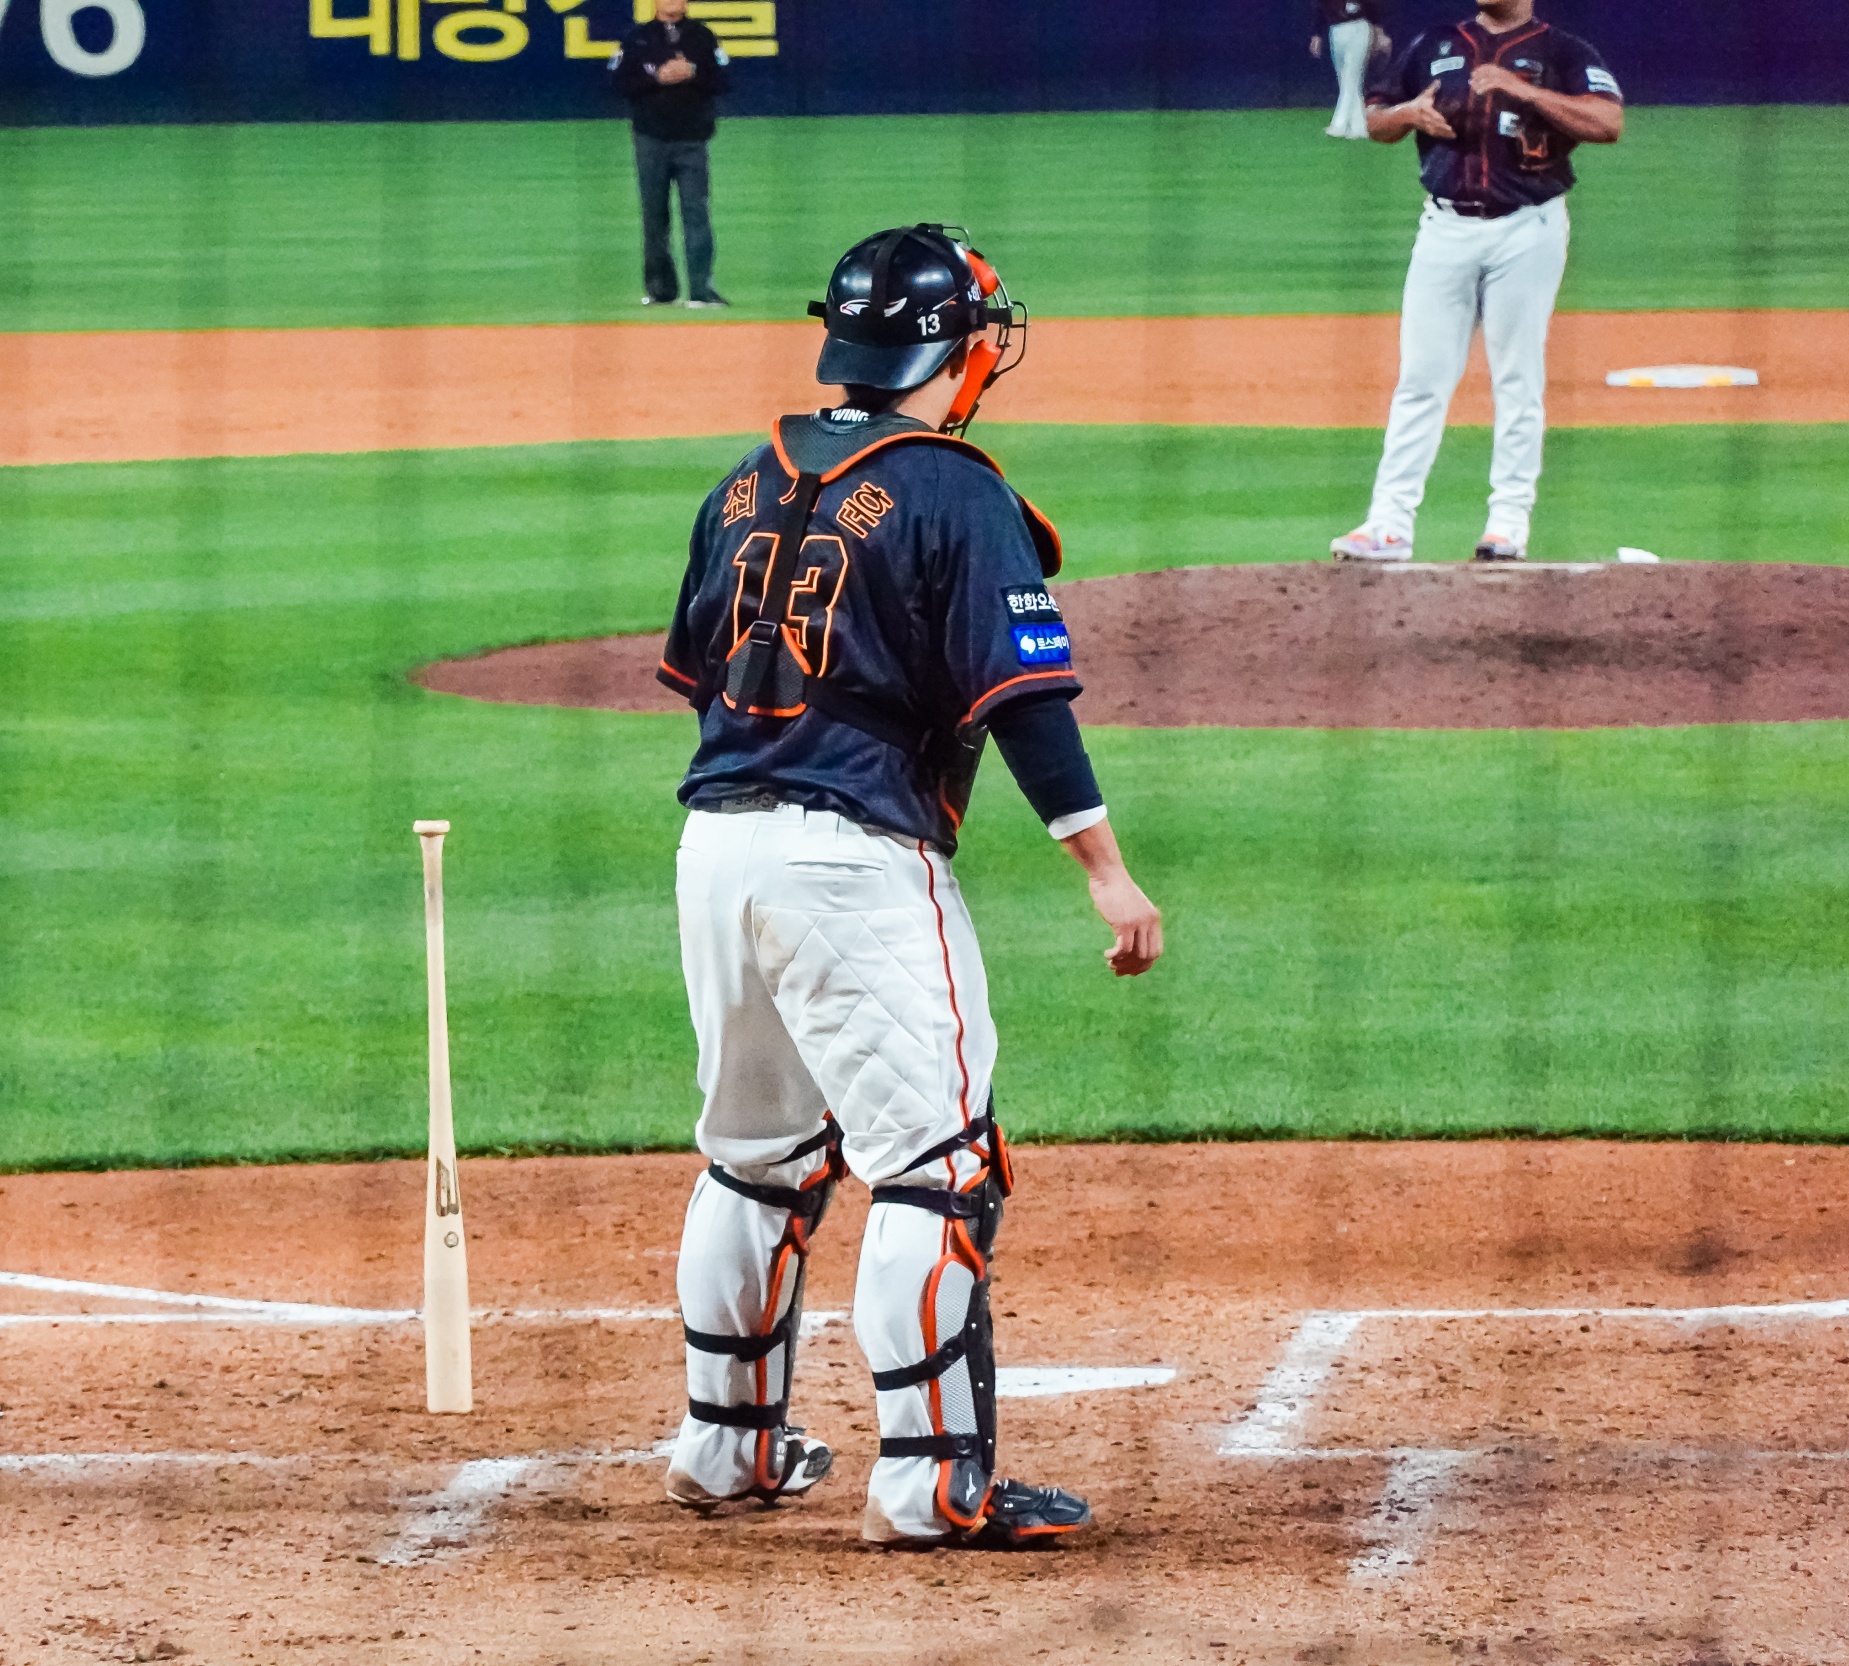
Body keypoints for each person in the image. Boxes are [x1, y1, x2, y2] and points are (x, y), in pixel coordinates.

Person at [652, 225, 1165, 1547]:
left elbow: (705, 673)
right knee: (940, 1167)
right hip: (852, 862)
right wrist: (1106, 873)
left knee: (755, 1158)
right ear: (962, 351)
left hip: (715, 845)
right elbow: (1025, 700)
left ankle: (725, 1447)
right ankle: (934, 1483)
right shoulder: (953, 490)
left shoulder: (744, 482)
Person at [1329, 0, 1623, 564]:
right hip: (1443, 229)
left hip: (1527, 229)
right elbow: (1376, 119)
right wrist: (1409, 114)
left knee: (1517, 379)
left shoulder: (1562, 51)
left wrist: (1525, 92)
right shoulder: (1434, 43)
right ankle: (1389, 524)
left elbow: (1607, 123)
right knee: (1420, 380)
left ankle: (1508, 524)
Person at [610, 0, 729, 309]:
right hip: (650, 139)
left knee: (696, 214)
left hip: (692, 139)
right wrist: (657, 78)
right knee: (654, 217)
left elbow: (723, 80)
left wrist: (692, 71)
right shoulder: (637, 38)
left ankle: (701, 291)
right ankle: (661, 291)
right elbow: (618, 83)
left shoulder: (702, 36)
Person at [1311, 0, 1391, 140]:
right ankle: (1359, 127)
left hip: (1358, 27)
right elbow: (1321, 6)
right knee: (1345, 80)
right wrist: (1317, 34)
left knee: (1351, 78)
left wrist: (1379, 32)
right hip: (1336, 28)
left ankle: (1339, 125)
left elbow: (1372, 5)